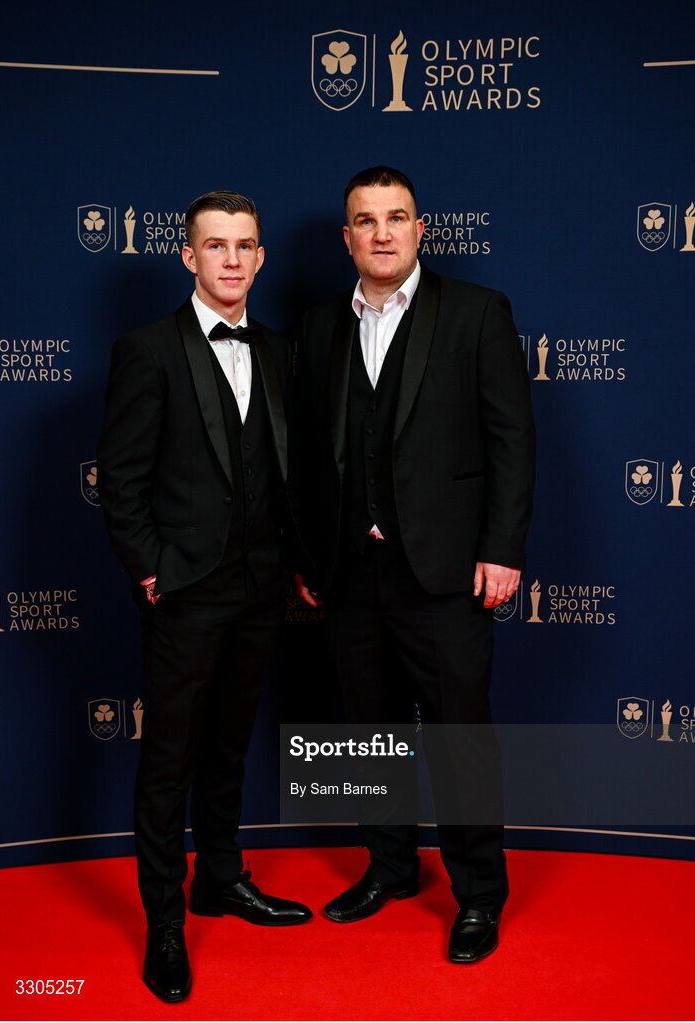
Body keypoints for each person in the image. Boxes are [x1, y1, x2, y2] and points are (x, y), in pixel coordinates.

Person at [296, 166, 535, 963]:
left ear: (421, 227)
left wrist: (502, 547)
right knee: (368, 736)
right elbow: (309, 455)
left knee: (460, 736)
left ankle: (478, 894)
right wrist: (310, 555)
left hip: (447, 570)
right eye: (366, 220)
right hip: (350, 574)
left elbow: (512, 439)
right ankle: (389, 867)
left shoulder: (475, 312)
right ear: (348, 237)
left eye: (397, 217)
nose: (383, 232)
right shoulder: (322, 324)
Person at [97, 190, 311, 1004]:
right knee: (169, 760)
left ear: (260, 259)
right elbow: (119, 477)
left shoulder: (281, 348)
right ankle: (162, 923)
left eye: (244, 245)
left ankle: (221, 879)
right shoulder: (147, 349)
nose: (230, 258)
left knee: (228, 748)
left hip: (261, 589)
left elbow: (282, 466)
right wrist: (152, 568)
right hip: (184, 590)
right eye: (214, 244)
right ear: (187, 256)